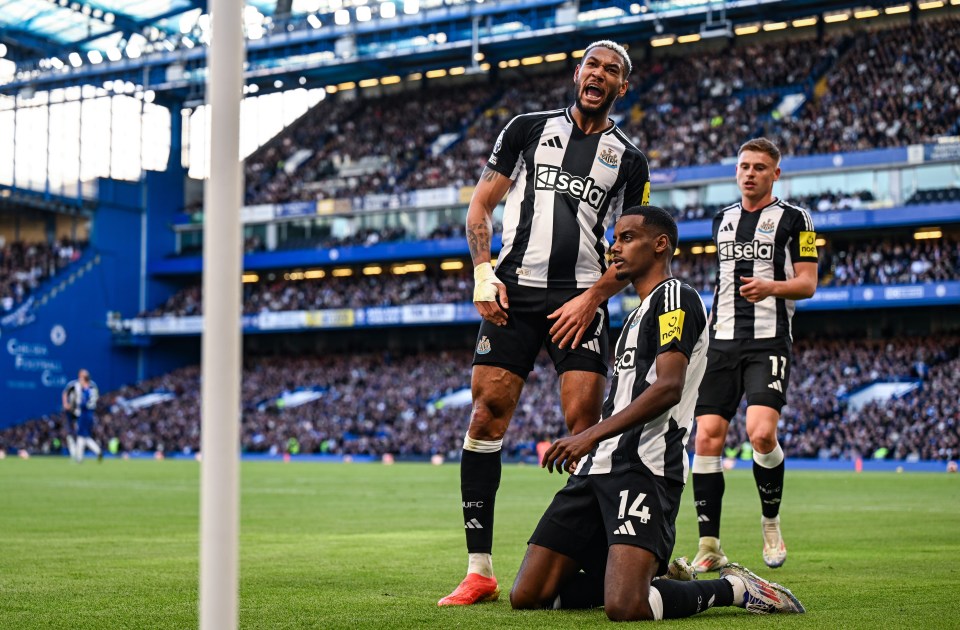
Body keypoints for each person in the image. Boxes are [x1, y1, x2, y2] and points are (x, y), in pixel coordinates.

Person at [509, 205, 805, 620]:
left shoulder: (676, 297)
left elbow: (668, 387)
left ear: (660, 244)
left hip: (644, 467)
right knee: (529, 596)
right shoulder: (636, 313)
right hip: (595, 467)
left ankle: (734, 589)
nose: (615, 248)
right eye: (614, 239)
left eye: (627, 238)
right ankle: (652, 575)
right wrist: (592, 446)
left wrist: (588, 434)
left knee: (626, 607)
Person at [438, 40, 651, 606]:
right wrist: (484, 273)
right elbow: (481, 205)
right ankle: (479, 568)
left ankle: (586, 559)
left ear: (621, 88)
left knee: (584, 424)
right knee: (486, 414)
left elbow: (631, 248)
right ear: (577, 73)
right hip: (514, 290)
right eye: (592, 66)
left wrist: (592, 299)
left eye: (612, 71)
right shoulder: (526, 129)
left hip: (581, 298)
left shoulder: (629, 159)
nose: (599, 75)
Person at [690, 137, 818, 572]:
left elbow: (807, 283)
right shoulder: (720, 220)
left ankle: (770, 522)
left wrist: (771, 287)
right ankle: (709, 546)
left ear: (775, 174)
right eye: (744, 166)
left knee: (761, 433)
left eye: (759, 167)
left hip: (768, 342)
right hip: (720, 343)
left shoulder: (796, 219)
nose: (750, 173)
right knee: (706, 436)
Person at [62, 369, 102, 463]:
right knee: (84, 435)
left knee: (81, 435)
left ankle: (80, 457)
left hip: (84, 413)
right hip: (90, 412)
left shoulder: (87, 390)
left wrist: (73, 405)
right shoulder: (92, 388)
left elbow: (83, 403)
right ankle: (95, 452)